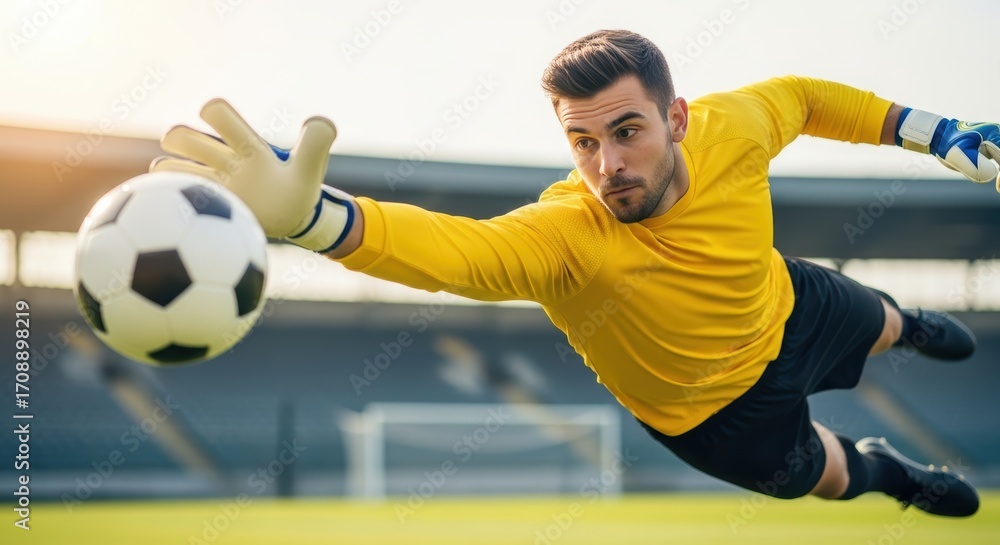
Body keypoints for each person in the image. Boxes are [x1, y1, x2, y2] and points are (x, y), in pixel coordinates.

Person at [151, 30, 997, 517]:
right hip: (712, 413)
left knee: (884, 321)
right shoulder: (568, 234)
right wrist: (316, 220)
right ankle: (896, 469)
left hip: (789, 303)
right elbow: (455, 251)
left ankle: (906, 324)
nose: (607, 164)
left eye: (627, 131)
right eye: (582, 142)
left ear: (677, 118)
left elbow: (807, 97)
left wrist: (934, 128)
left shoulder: (735, 127)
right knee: (833, 476)